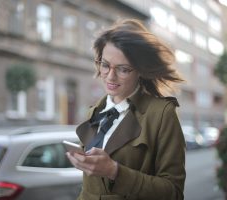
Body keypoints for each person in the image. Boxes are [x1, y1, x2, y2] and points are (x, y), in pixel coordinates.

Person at [66, 18, 186, 200]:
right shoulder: (95, 111)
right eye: (105, 65)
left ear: (140, 70)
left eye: (123, 69)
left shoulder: (162, 114)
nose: (110, 77)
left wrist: (115, 171)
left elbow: (173, 192)